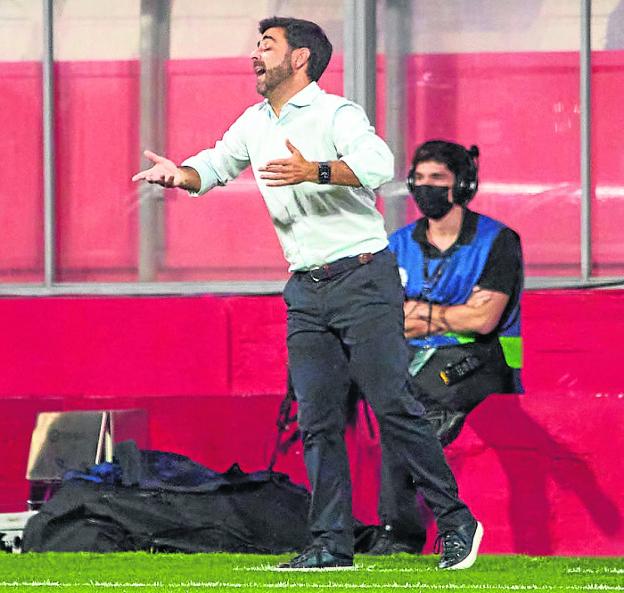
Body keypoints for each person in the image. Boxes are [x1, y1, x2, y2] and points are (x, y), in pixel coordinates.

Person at [132, 18, 482, 571]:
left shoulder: (337, 113)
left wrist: (313, 169)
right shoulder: (254, 121)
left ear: (299, 59)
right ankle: (329, 545)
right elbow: (218, 164)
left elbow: (379, 166)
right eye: (256, 45)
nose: (255, 55)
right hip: (306, 288)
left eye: (266, 46)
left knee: (393, 406)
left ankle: (458, 521)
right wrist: (182, 175)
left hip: (363, 278)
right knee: (317, 419)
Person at [368, 140, 523, 555]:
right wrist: (453, 311)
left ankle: (403, 534)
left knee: (407, 406)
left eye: (437, 179)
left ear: (464, 184)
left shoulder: (498, 241)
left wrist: (421, 314)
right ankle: (397, 532)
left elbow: (483, 320)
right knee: (396, 400)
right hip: (417, 362)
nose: (426, 188)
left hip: (486, 360)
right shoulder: (397, 244)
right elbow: (385, 317)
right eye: (419, 179)